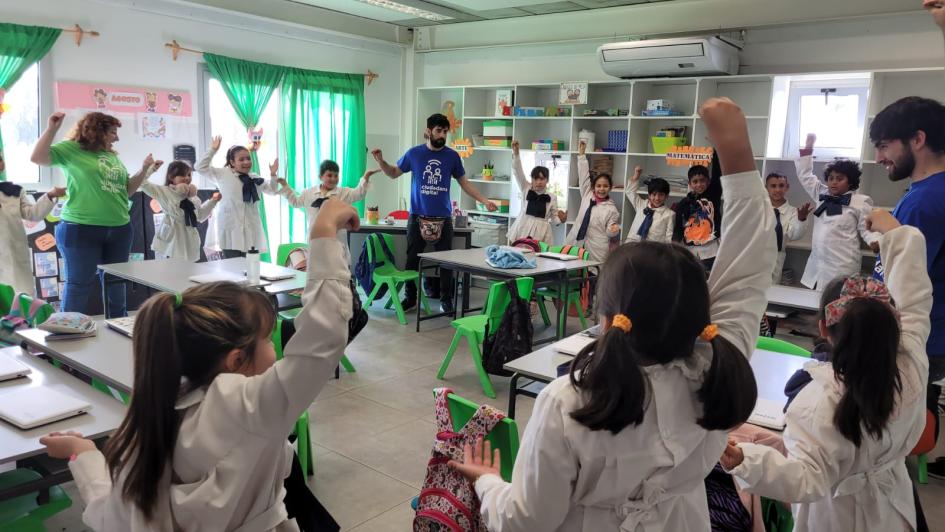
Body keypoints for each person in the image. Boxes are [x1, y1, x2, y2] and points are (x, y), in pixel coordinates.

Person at [449, 97, 775, 531]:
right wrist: (736, 158)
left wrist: (488, 483)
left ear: (607, 317)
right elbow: (749, 267)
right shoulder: (717, 373)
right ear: (701, 315)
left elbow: (524, 522)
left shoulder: (570, 401)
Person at [38, 199, 360, 530]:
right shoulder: (246, 406)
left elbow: (111, 511)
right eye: (267, 340)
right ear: (237, 360)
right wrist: (323, 234)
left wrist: (84, 453)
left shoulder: (155, 414)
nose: (274, 348)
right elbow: (321, 339)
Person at [722, 209, 932, 532]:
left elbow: (805, 480)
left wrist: (745, 460)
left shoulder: (819, 402)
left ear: (822, 328)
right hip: (894, 507)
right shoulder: (912, 366)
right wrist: (897, 234)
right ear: (893, 321)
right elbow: (915, 295)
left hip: (838, 518)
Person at [871, 0, 945, 480]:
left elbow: (898, 286)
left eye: (883, 145)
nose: (878, 157)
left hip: (917, 338)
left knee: (880, 451)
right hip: (934, 339)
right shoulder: (929, 194)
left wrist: (888, 231)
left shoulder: (920, 203)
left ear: (916, 140)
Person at [31, 111, 161, 316]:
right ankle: (68, 332)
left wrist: (144, 168)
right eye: (112, 132)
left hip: (119, 229)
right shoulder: (72, 149)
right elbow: (37, 157)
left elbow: (126, 191)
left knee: (116, 283)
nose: (116, 138)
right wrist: (51, 129)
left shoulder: (111, 156)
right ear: (95, 131)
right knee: (79, 283)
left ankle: (118, 325)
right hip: (81, 228)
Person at [371, 113, 497, 314]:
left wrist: (484, 201)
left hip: (443, 218)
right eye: (439, 130)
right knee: (412, 260)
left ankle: (446, 300)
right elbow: (394, 173)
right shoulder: (414, 154)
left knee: (447, 260)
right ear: (428, 131)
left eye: (445, 131)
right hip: (417, 217)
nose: (442, 135)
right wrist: (381, 161)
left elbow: (464, 183)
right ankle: (411, 297)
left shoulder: (452, 156)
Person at [795, 134, 880, 289]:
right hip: (818, 264)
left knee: (839, 306)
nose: (833, 182)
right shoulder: (821, 194)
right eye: (831, 178)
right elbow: (805, 176)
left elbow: (866, 228)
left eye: (839, 178)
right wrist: (808, 148)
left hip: (842, 265)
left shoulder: (860, 202)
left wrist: (875, 241)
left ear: (851, 181)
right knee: (816, 306)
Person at [196, 135, 279, 258]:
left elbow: (272, 190)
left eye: (248, 158)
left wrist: (273, 175)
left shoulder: (254, 178)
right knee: (232, 269)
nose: (246, 162)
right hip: (230, 232)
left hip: (251, 233)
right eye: (241, 159)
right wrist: (212, 150)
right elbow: (200, 168)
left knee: (250, 269)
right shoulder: (223, 174)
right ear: (232, 162)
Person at [277, 159, 377, 259]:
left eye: (336, 175)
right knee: (318, 269)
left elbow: (358, 193)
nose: (333, 179)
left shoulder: (343, 192)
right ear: (320, 176)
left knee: (337, 270)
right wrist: (285, 185)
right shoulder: (309, 193)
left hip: (337, 241)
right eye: (329, 175)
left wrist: (366, 177)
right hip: (315, 241)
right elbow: (295, 202)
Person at [0, 153, 66, 295]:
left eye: (1, 160)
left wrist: (50, 195)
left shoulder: (14, 191)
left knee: (21, 296)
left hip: (15, 254)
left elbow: (33, 214)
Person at [138, 161, 221, 262]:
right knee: (172, 273)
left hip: (189, 242)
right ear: (171, 177)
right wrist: (152, 169)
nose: (187, 178)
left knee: (188, 272)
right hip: (171, 241)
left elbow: (200, 216)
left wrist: (213, 201)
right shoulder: (164, 192)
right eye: (182, 175)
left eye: (189, 174)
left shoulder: (193, 197)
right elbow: (141, 183)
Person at [563, 140, 620, 262]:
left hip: (597, 247)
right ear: (594, 187)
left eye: (605, 186)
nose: (601, 189)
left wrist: (613, 231)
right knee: (572, 270)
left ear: (610, 188)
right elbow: (584, 176)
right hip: (576, 241)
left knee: (593, 274)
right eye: (598, 186)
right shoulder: (587, 195)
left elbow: (610, 231)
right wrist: (582, 155)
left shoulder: (611, 209)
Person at [507, 140, 565, 245]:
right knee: (517, 254)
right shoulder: (526, 188)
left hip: (541, 232)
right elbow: (517, 171)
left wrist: (562, 219)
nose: (539, 182)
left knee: (539, 257)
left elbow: (555, 218)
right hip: (523, 226)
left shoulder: (552, 197)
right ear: (532, 179)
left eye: (542, 179)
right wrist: (516, 154)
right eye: (536, 179)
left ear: (547, 180)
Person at [674, 164, 723, 271]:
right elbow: (678, 227)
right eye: (695, 182)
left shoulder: (713, 195)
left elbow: (717, 174)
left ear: (708, 182)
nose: (699, 184)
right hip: (690, 250)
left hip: (711, 249)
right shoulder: (684, 203)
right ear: (690, 184)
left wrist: (716, 150)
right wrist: (675, 248)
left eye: (702, 181)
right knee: (692, 278)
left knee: (709, 278)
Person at [766, 172, 811, 283]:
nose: (777, 190)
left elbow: (794, 235)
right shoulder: (759, 208)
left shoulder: (793, 212)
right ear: (766, 188)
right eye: (773, 186)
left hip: (777, 256)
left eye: (781, 185)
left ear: (787, 187)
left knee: (772, 291)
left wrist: (801, 220)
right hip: (755, 254)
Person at [624, 165, 674, 244]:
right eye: (654, 194)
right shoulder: (641, 204)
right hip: (632, 245)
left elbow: (669, 238)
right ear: (649, 195)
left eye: (661, 195)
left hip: (653, 250)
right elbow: (629, 192)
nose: (657, 198)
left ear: (666, 196)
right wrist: (636, 176)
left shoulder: (669, 214)